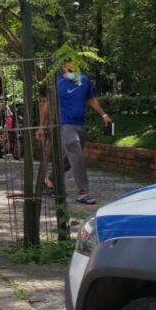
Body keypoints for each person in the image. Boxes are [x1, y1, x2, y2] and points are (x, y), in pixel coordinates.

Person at [39, 61, 112, 205]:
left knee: (68, 159)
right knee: (77, 156)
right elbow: (47, 105)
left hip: (80, 124)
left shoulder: (84, 80)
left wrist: (104, 115)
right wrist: (41, 126)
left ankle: (50, 181)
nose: (70, 68)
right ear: (62, 67)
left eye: (73, 65)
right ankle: (83, 192)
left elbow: (91, 99)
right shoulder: (57, 83)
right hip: (65, 125)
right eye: (67, 66)